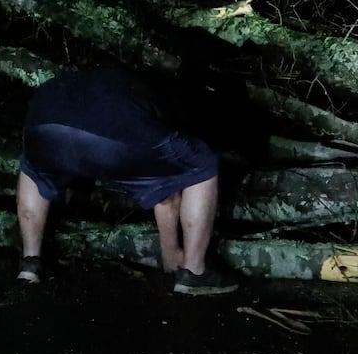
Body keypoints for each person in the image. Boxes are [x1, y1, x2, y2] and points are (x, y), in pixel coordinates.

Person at [15, 67, 239, 295]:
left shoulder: (84, 80)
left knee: (33, 171)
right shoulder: (157, 92)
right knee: (203, 163)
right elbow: (167, 191)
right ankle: (193, 271)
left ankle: (30, 263)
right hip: (113, 134)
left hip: (43, 126)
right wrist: (169, 252)